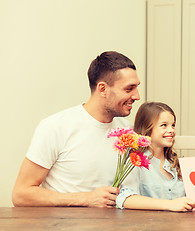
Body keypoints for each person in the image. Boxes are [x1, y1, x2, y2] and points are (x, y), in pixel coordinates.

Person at [12, 51, 141, 208]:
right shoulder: (56, 127)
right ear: (102, 89)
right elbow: (21, 194)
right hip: (67, 230)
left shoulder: (129, 131)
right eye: (129, 89)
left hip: (120, 230)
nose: (137, 96)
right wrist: (86, 199)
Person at [116, 102, 195, 212]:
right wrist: (170, 204)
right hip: (149, 226)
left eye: (173, 125)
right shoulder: (135, 162)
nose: (171, 130)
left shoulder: (176, 163)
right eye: (164, 125)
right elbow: (125, 198)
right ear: (147, 128)